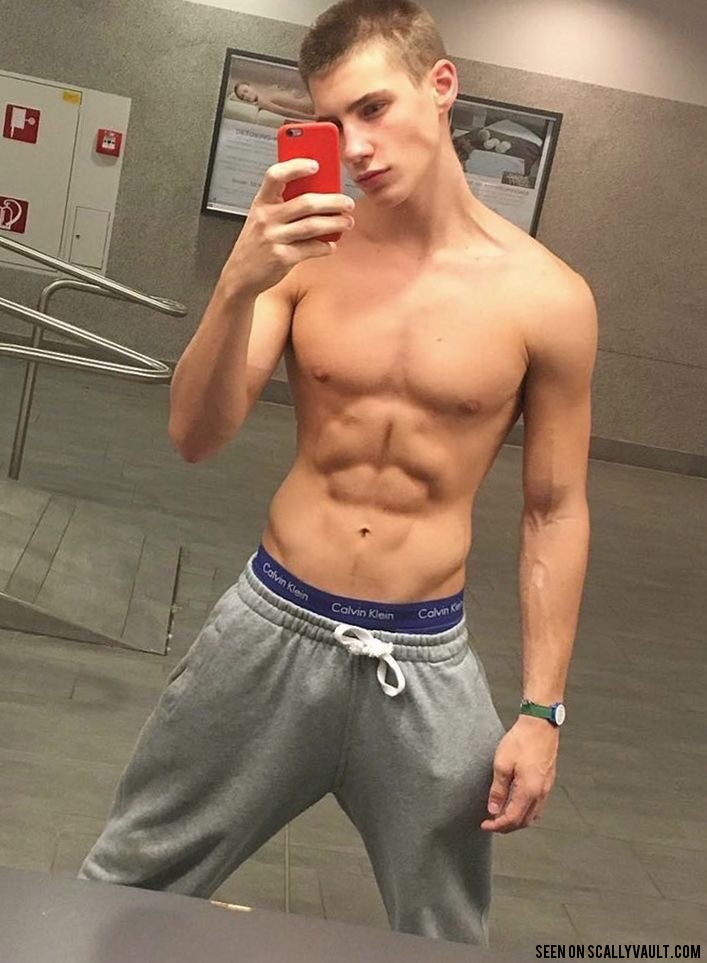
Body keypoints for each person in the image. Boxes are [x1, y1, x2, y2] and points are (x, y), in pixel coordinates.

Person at [78, 0, 597, 947]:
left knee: (445, 933)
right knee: (125, 882)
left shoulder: (547, 298)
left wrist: (541, 709)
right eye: (331, 122)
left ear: (440, 86)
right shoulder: (303, 256)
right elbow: (194, 435)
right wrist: (236, 281)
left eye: (372, 107)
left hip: (424, 663)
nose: (354, 146)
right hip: (269, 627)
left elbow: (554, 510)